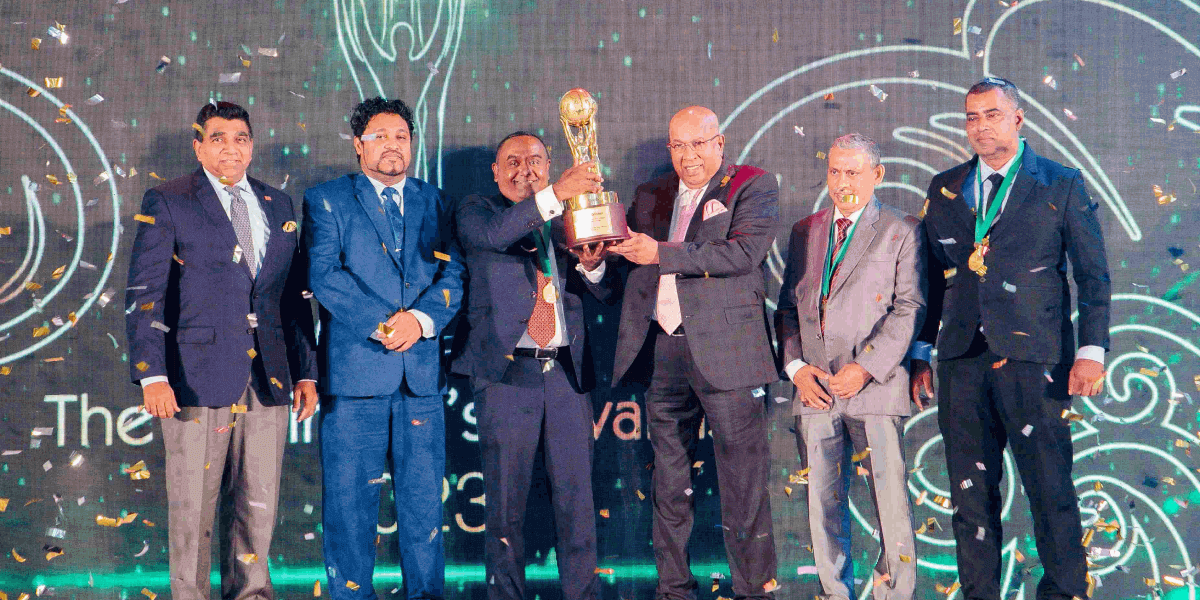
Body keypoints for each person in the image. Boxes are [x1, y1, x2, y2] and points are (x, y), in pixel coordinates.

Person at [910, 77, 1110, 600]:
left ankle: (1064, 593)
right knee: (969, 498)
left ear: (1018, 119)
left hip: (1037, 362)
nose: (980, 126)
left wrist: (1091, 351)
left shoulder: (1061, 183)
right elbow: (931, 280)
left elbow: (1092, 277)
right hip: (961, 361)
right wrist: (920, 353)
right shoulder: (946, 187)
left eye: (992, 114)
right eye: (972, 116)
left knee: (1051, 491)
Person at [125, 100, 318, 600]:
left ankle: (253, 594)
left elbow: (292, 298)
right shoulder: (169, 201)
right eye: (217, 137)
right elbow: (144, 295)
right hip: (194, 377)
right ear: (198, 145)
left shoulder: (278, 204)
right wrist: (152, 376)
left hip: (268, 379)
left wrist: (306, 371)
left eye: (240, 137)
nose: (230, 147)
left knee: (259, 507)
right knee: (193, 509)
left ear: (251, 145)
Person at [609, 106, 778, 599]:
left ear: (719, 144)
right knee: (668, 485)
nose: (689, 156)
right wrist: (599, 257)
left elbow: (744, 254)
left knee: (744, 487)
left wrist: (660, 253)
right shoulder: (650, 195)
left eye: (699, 144)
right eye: (679, 146)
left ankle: (754, 592)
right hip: (662, 353)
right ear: (669, 149)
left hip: (728, 356)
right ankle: (674, 590)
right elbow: (633, 265)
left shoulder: (752, 185)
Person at [302, 97, 465, 599]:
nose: (393, 145)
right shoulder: (327, 199)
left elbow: (453, 273)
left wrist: (420, 321)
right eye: (381, 135)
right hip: (355, 381)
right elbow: (324, 276)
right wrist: (382, 324)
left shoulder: (435, 201)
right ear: (358, 145)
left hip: (420, 383)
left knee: (423, 513)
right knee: (349, 514)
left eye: (402, 136)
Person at [453, 131, 616, 600]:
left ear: (550, 164)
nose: (525, 168)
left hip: (566, 375)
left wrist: (593, 267)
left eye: (536, 159)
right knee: (505, 506)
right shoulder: (477, 210)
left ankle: (583, 594)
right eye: (513, 160)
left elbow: (604, 291)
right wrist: (557, 194)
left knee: (576, 501)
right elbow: (495, 236)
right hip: (507, 376)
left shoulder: (574, 216)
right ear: (495, 170)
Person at [775, 133, 925, 600]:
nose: (842, 183)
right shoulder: (806, 230)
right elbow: (786, 308)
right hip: (816, 389)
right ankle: (833, 593)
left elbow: (909, 308)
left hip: (874, 387)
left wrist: (864, 368)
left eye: (853, 172)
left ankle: (894, 595)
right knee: (820, 504)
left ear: (876, 176)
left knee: (891, 505)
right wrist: (797, 367)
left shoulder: (902, 229)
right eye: (835, 172)